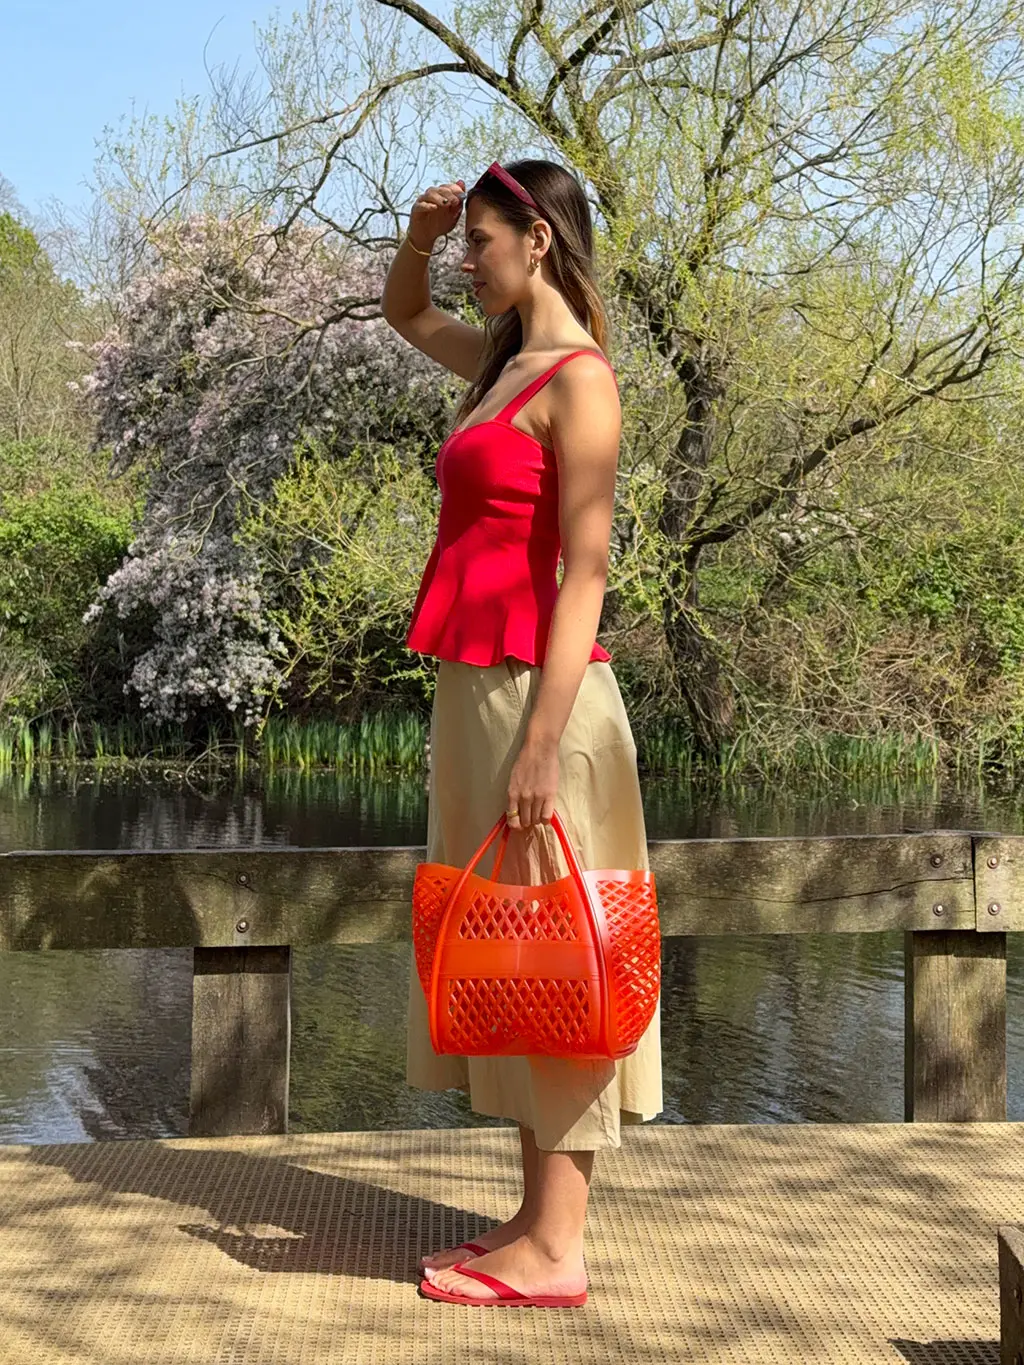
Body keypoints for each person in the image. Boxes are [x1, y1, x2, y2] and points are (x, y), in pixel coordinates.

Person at [381, 158, 663, 1308]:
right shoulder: (499, 366)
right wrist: (416, 230)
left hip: (542, 705)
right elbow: (405, 312)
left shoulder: (579, 382)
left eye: (481, 243)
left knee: (561, 946)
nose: (466, 261)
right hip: (476, 695)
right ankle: (534, 1220)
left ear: (537, 239)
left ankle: (556, 1251)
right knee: (512, 949)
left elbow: (586, 574)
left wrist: (542, 745)